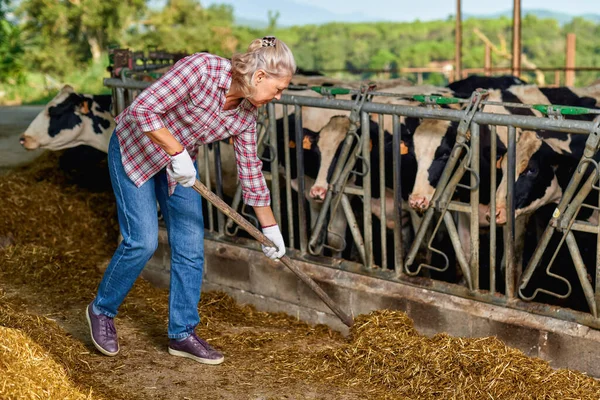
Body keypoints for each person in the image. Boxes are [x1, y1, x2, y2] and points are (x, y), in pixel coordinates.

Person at [86, 36, 296, 365]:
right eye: (279, 88)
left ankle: (181, 333)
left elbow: (251, 172)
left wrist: (270, 229)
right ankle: (101, 310)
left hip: (179, 170)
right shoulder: (201, 69)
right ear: (259, 78)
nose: (279, 96)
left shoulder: (245, 115)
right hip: (136, 150)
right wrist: (176, 150)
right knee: (142, 242)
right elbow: (143, 110)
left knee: (190, 247)